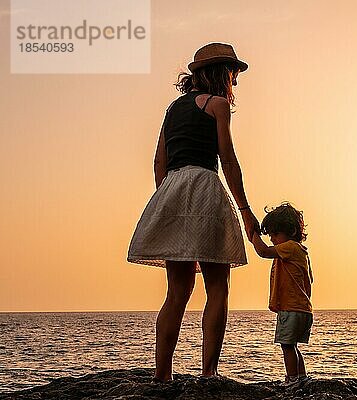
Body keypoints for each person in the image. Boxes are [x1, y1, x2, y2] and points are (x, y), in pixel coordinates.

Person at [126, 43, 260, 382]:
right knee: (218, 287)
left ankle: (162, 374)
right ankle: (209, 372)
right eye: (232, 73)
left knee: (177, 291)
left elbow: (159, 161)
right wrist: (245, 210)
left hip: (171, 189)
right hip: (204, 187)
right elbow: (227, 159)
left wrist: (167, 201)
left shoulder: (173, 108)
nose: (235, 81)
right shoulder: (218, 105)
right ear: (220, 74)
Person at [250, 202, 314, 386]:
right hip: (304, 309)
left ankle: (292, 379)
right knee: (293, 346)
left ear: (291, 231)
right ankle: (301, 377)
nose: (272, 240)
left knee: (287, 346)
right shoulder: (302, 253)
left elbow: (263, 252)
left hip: (291, 308)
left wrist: (254, 235)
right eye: (270, 235)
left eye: (275, 234)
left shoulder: (290, 247)